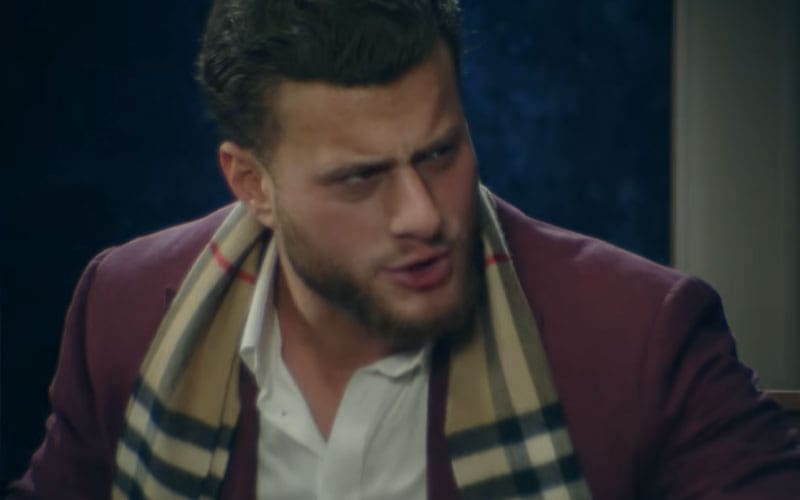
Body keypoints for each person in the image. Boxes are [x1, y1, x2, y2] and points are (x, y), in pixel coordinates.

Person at [9, 0, 800, 498]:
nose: (423, 215)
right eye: (360, 178)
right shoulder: (121, 306)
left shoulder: (644, 332)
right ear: (252, 184)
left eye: (440, 153)